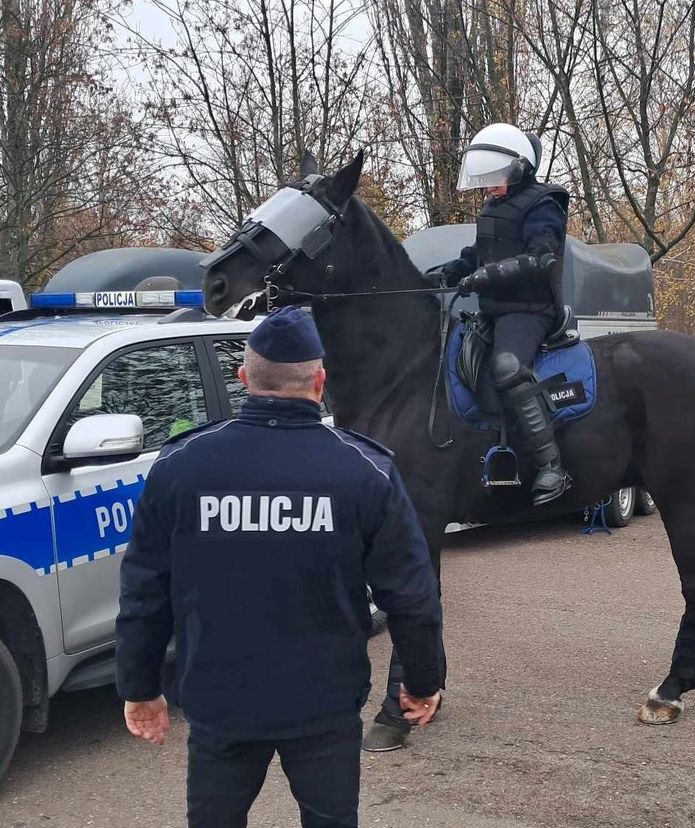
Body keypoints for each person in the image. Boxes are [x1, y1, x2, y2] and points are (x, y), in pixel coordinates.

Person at [115, 306, 443, 828]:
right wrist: (423, 681)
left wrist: (138, 685)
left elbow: (145, 590)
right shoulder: (363, 470)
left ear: (244, 378)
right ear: (320, 381)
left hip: (219, 700)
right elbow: (411, 594)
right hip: (324, 703)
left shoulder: (182, 464)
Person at [441, 122, 571, 506]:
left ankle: (552, 466)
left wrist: (486, 276)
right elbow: (484, 252)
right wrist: (456, 268)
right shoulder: (494, 205)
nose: (488, 184)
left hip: (530, 310)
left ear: (519, 169)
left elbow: (541, 258)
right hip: (495, 311)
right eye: (486, 176)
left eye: (495, 175)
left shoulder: (544, 203)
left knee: (507, 367)